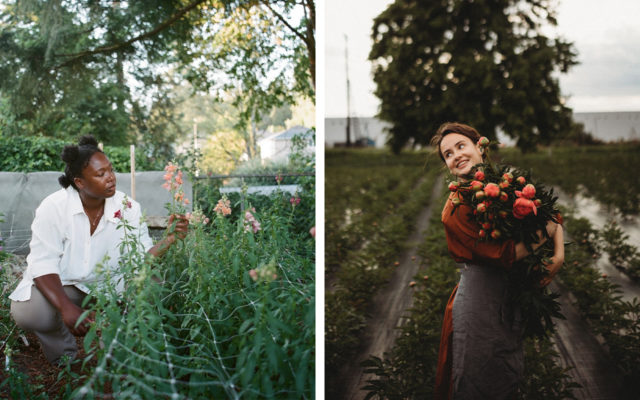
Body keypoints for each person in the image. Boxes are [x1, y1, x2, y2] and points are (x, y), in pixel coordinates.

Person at [9, 135, 189, 365]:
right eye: (100, 174)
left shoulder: (128, 208)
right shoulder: (53, 207)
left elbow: (140, 261)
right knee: (29, 310)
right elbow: (42, 263)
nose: (111, 178)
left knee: (151, 282)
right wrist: (66, 308)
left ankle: (117, 351)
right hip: (68, 285)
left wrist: (169, 239)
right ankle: (65, 358)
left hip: (112, 286)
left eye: (111, 170)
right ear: (80, 182)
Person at [431, 122, 564, 399]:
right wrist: (547, 231)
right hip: (480, 301)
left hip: (508, 295)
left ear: (480, 146)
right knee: (478, 378)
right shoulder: (455, 208)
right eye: (448, 154)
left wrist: (559, 254)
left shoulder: (505, 181)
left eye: (460, 146)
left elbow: (549, 212)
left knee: (506, 374)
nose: (456, 155)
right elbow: (506, 253)